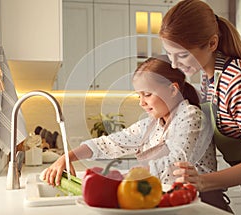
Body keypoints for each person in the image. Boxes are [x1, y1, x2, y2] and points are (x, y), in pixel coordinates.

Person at [159, 0, 241, 214]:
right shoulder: (210, 76)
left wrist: (202, 182)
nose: (174, 64)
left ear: (212, 43)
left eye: (182, 55)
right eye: (169, 54)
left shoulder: (239, 83)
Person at [43, 56, 216, 189]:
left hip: (200, 204)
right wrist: (67, 157)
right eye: (138, 95)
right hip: (170, 202)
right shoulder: (152, 124)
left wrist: (127, 176)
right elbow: (109, 143)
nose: (142, 102)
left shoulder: (191, 116)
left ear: (172, 90)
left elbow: (177, 162)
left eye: (147, 94)